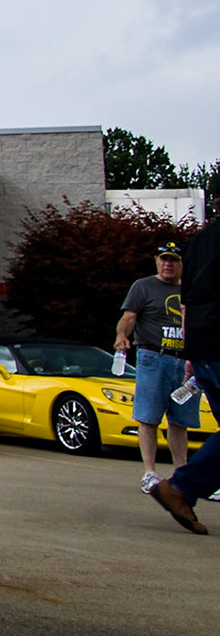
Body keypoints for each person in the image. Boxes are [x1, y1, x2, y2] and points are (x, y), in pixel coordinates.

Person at [148, 219, 220, 533]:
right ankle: (181, 487)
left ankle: (183, 488)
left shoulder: (200, 241)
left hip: (204, 346)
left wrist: (191, 351)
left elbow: (186, 301)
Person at [117, 241, 189, 494]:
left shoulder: (192, 289)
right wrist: (122, 336)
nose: (168, 264)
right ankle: (150, 473)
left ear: (182, 264)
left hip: (186, 361)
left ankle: (183, 475)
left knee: (180, 421)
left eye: (174, 260)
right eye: (164, 259)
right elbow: (129, 317)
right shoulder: (144, 286)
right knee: (148, 418)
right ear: (157, 261)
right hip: (153, 356)